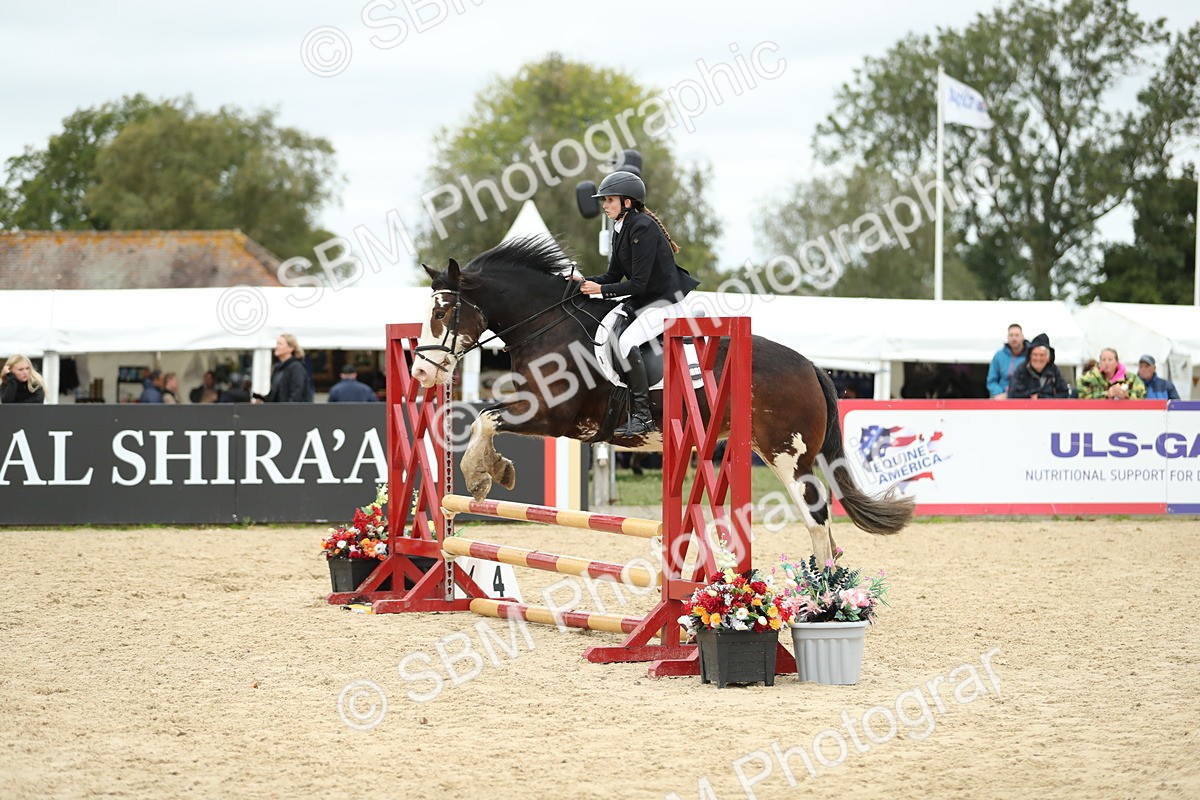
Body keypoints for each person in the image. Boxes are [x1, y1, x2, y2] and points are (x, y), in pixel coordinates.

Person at [570, 171, 700, 436]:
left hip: (666, 303)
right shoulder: (621, 228)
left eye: (609, 200)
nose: (604, 205)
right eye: (604, 201)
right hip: (645, 301)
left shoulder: (642, 227)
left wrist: (601, 290)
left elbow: (637, 283)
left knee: (627, 342)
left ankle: (642, 415)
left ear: (627, 202)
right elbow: (612, 277)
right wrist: (582, 282)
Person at [1008, 333, 1071, 399]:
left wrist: (1041, 397)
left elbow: (1064, 393)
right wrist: (1030, 396)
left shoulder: (1054, 370)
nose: (1038, 358)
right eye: (1035, 354)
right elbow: (1013, 394)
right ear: (1030, 356)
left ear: (1048, 358)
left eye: (1042, 355)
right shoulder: (1021, 370)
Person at [259, 333, 312, 403]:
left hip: (291, 412)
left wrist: (287, 411)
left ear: (291, 348)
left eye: (280, 344)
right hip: (280, 411)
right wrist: (261, 398)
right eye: (277, 344)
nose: (276, 347)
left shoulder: (296, 367)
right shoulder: (277, 368)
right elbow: (274, 395)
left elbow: (297, 394)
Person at [1076, 348, 1146, 399]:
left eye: (1110, 360)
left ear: (1116, 362)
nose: (1106, 363)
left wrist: (1126, 396)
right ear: (1099, 362)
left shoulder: (1131, 378)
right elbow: (1082, 397)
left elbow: (1142, 395)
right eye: (1103, 360)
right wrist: (1106, 394)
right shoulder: (1088, 378)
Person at [986, 323, 1027, 399]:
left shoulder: (1031, 356)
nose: (1014, 338)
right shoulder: (999, 355)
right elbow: (991, 381)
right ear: (1007, 337)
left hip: (1022, 397)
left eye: (1017, 335)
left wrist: (1009, 395)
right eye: (1011, 335)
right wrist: (999, 393)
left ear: (1022, 337)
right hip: (1000, 396)